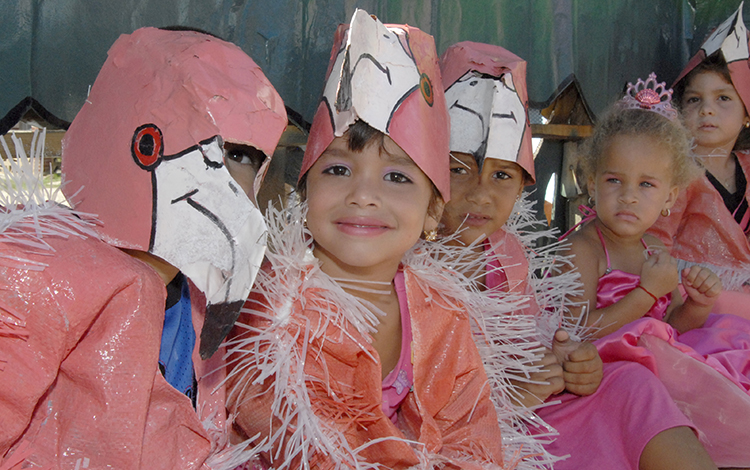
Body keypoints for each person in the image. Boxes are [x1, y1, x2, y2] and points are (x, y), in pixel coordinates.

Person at [224, 11, 548, 470]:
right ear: (305, 190)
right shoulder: (273, 312)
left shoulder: (441, 316)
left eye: (397, 176)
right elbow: (299, 445)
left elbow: (470, 432)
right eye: (338, 169)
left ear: (434, 209)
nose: (364, 196)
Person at [0, 27, 287, 470]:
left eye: (239, 154)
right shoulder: (35, 273)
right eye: (180, 138)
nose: (210, 172)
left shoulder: (203, 302)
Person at [439, 42, 718, 470]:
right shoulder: (407, 262)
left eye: (501, 175)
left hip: (541, 402)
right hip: (471, 429)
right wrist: (519, 390)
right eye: (458, 169)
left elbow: (545, 341)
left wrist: (573, 364)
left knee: (635, 386)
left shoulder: (507, 253)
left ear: (522, 184)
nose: (480, 193)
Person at [566, 72, 750, 467]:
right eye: (615, 180)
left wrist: (697, 304)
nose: (629, 196)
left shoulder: (654, 247)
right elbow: (574, 329)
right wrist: (645, 294)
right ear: (592, 183)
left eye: (647, 185)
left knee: (732, 345)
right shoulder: (584, 247)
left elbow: (672, 324)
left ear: (670, 197)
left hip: (659, 361)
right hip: (608, 370)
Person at [648, 4, 750, 292]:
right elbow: (657, 240)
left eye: (723, 99)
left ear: (746, 113)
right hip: (691, 292)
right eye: (694, 100)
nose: (707, 110)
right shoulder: (677, 173)